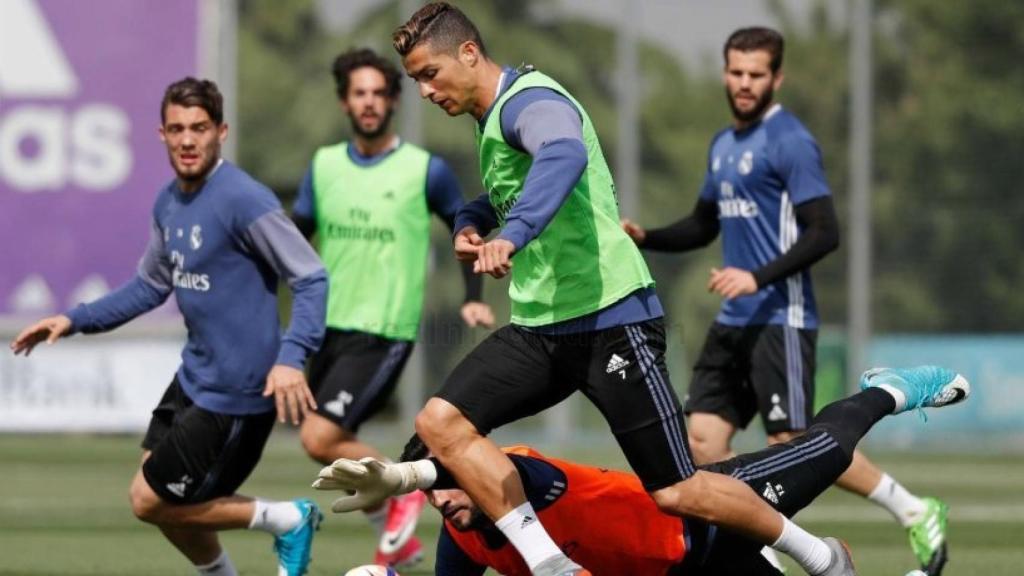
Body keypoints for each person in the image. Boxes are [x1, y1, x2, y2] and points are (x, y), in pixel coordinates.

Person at [390, 4, 854, 575]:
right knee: (441, 423)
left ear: (468, 53)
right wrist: (471, 220)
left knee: (678, 491)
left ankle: (818, 555)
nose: (424, 91)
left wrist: (512, 234)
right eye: (416, 80)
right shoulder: (491, 119)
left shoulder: (530, 102)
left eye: (429, 74)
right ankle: (550, 564)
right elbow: (509, 188)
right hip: (542, 328)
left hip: (610, 318)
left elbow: (563, 153)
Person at [621, 27, 948, 574]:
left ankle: (913, 509)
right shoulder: (723, 145)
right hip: (733, 321)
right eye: (736, 72)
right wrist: (646, 236)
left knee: (793, 442)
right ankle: (758, 553)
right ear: (725, 73)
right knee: (701, 443)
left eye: (756, 74)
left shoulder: (790, 140)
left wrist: (756, 277)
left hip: (782, 319)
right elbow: (703, 225)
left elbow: (825, 231)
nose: (744, 83)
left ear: (777, 78)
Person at [9, 78, 327, 576]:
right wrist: (74, 319)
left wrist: (292, 356)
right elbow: (150, 286)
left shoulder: (244, 199)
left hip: (237, 392)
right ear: (161, 134)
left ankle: (287, 519)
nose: (187, 140)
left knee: (148, 500)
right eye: (177, 129)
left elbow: (310, 277)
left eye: (199, 128)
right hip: (193, 378)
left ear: (221, 132)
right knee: (153, 482)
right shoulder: (168, 202)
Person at [315, 365, 969, 576]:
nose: (447, 501)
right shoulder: (463, 538)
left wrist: (407, 477)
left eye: (448, 481)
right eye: (435, 492)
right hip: (687, 572)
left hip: (717, 511)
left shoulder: (520, 476)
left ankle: (892, 390)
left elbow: (478, 469)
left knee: (828, 444)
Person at [290, 47, 495, 569]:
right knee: (322, 441)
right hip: (327, 328)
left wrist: (473, 299)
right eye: (359, 93)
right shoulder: (324, 165)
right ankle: (393, 532)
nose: (369, 102)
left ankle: (403, 492)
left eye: (379, 93)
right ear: (345, 102)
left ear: (394, 102)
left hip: (383, 329)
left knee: (319, 436)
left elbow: (466, 230)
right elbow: (293, 239)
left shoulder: (424, 170)